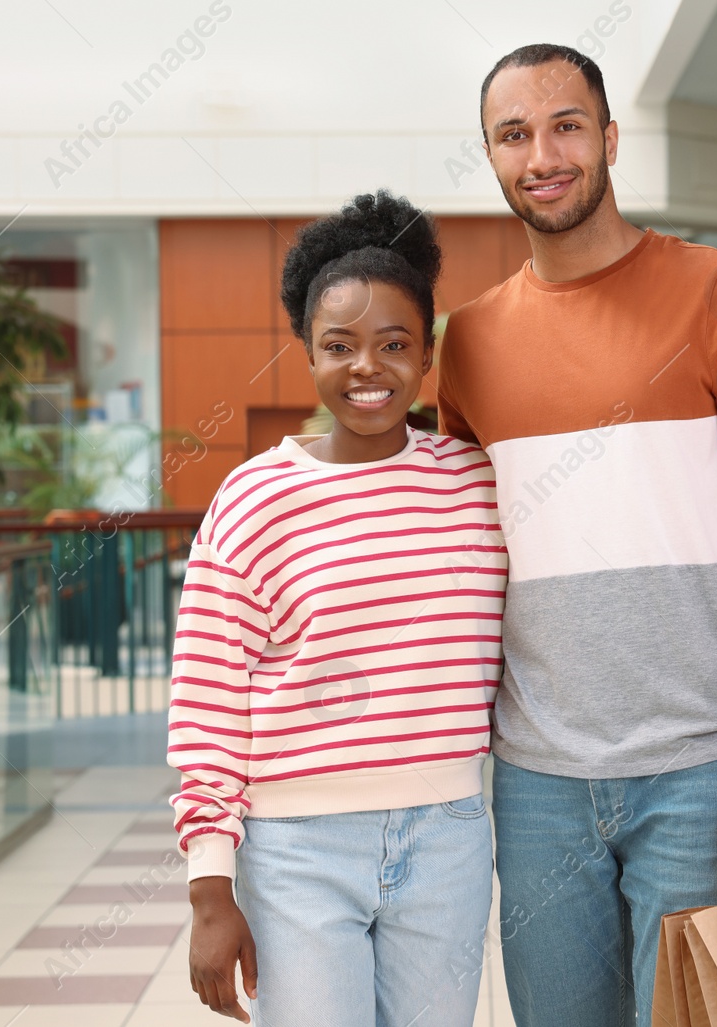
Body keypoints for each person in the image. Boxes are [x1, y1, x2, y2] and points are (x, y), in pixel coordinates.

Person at [436, 45, 717, 1026]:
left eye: (566, 124)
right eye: (513, 134)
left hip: (702, 770)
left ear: (609, 138)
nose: (543, 153)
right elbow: (459, 549)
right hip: (535, 776)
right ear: (490, 157)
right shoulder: (468, 344)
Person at [167, 190, 507, 1026]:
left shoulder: (475, 483)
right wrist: (211, 888)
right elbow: (209, 693)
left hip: (450, 836)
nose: (368, 367)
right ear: (307, 352)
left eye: (394, 344)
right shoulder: (254, 498)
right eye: (340, 345)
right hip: (298, 847)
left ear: (426, 356)